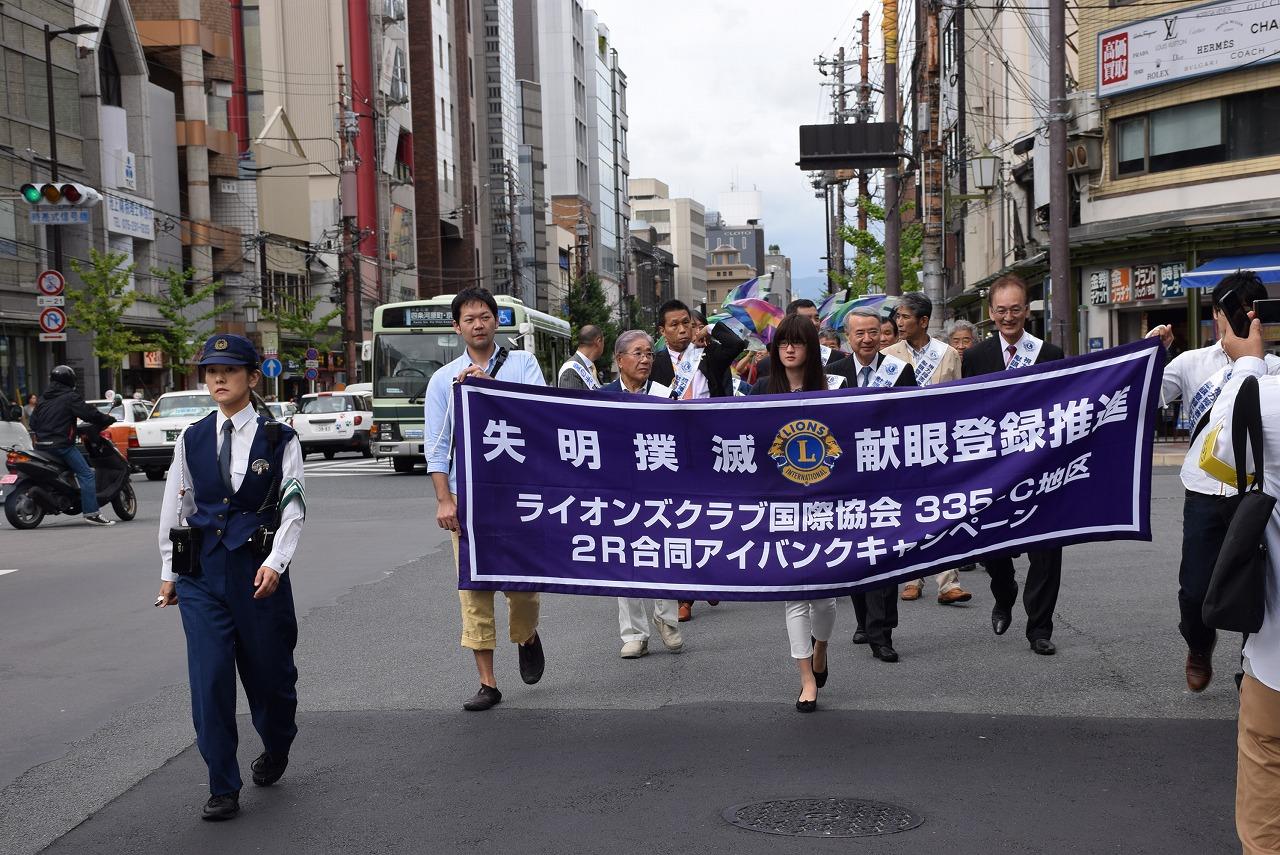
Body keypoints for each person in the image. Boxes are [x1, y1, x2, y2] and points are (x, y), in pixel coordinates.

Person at [154, 333, 305, 821]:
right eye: (210, 371)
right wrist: (170, 572)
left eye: (229, 370)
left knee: (271, 681)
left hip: (257, 572)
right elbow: (179, 507)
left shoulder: (279, 437)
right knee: (210, 678)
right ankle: (222, 783)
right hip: (201, 574)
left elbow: (294, 508)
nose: (218, 378)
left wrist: (275, 562)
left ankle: (277, 742)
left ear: (251, 378)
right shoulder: (192, 436)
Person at [1145, 270, 1280, 691]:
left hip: (1255, 494)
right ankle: (1199, 645)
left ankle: (1251, 668)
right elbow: (1143, 398)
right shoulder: (1191, 362)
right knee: (1195, 589)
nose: (1234, 318)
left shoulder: (1273, 367)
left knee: (1254, 581)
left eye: (1246, 310)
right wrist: (1151, 356)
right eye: (1228, 309)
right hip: (1203, 490)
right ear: (1216, 313)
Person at [425, 286, 548, 711]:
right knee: (473, 589)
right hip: (468, 499)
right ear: (457, 327)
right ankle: (488, 682)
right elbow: (437, 446)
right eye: (469, 318)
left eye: (485, 316)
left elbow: (540, 416)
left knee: (522, 587)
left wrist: (489, 388)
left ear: (497, 321)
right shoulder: (443, 379)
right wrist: (445, 500)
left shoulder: (522, 363)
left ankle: (527, 636)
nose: (478, 324)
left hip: (518, 496)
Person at [1199, 314, 1280, 854]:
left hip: (1277, 650)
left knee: (1264, 759)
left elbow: (1218, 452)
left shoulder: (1266, 400)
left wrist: (1247, 360)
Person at [962, 274, 1065, 655]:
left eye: (1016, 309)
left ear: (1027, 310)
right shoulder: (974, 358)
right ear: (991, 313)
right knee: (992, 546)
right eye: (1001, 310)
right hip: (992, 471)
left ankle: (1040, 629)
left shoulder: (1050, 354)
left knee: (1047, 549)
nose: (1009, 317)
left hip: (1040, 466)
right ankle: (1004, 593)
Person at [747, 314, 835, 710]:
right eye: (782, 341)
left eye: (797, 342)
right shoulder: (762, 390)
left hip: (826, 503)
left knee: (825, 595)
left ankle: (821, 647)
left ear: (810, 348)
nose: (788, 348)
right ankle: (806, 680)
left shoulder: (833, 389)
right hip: (779, 504)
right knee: (794, 594)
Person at [826, 308, 916, 662]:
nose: (867, 339)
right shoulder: (833, 376)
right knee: (855, 550)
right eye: (859, 333)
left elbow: (913, 420)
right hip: (847, 479)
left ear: (883, 335)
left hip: (886, 477)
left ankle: (883, 632)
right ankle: (864, 621)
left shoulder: (899, 372)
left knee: (885, 552)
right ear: (848, 337)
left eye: (873, 332)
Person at [649, 298, 745, 621]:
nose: (681, 330)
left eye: (686, 323)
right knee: (679, 519)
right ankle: (685, 596)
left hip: (711, 446)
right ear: (662, 331)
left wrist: (710, 329)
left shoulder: (708, 353)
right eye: (673, 325)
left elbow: (737, 344)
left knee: (710, 516)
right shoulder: (656, 362)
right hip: (672, 451)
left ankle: (712, 574)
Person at [882, 292, 973, 606]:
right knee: (908, 512)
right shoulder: (889, 354)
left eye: (906, 317)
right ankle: (911, 578)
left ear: (923, 321)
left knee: (944, 510)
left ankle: (949, 583)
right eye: (898, 316)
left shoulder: (947, 354)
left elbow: (959, 401)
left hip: (939, 444)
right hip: (902, 446)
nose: (899, 322)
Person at [600, 330, 685, 658]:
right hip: (617, 491)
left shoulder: (665, 396)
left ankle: (667, 620)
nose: (646, 359)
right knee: (624, 558)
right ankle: (634, 633)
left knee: (663, 554)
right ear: (620, 360)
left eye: (649, 353)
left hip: (659, 490)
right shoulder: (602, 396)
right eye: (637, 353)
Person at [29, 366, 116, 526]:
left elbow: (32, 423)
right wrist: (107, 419)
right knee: (87, 474)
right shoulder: (70, 397)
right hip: (61, 446)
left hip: (40, 446)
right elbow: (89, 414)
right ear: (70, 380)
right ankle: (92, 513)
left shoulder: (42, 399)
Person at [558, 325, 605, 390]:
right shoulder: (570, 370)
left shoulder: (591, 368)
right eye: (603, 343)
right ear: (598, 341)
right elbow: (572, 399)